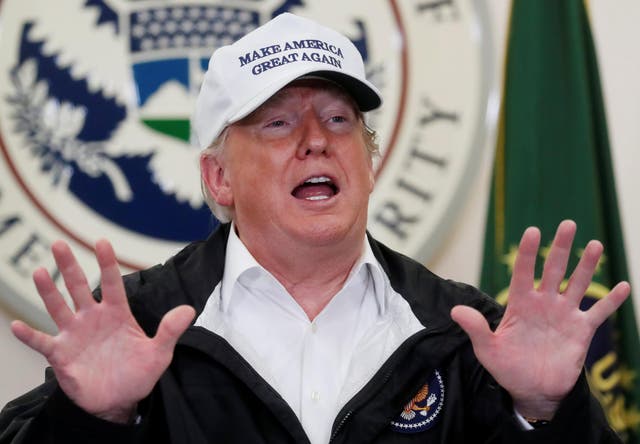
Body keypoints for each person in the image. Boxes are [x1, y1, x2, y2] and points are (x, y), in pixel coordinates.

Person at [0, 13, 630, 444]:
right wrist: (93, 420)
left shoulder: (465, 333)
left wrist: (548, 413)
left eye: (337, 119)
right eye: (277, 123)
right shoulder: (137, 325)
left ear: (369, 159)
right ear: (218, 178)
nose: (315, 141)